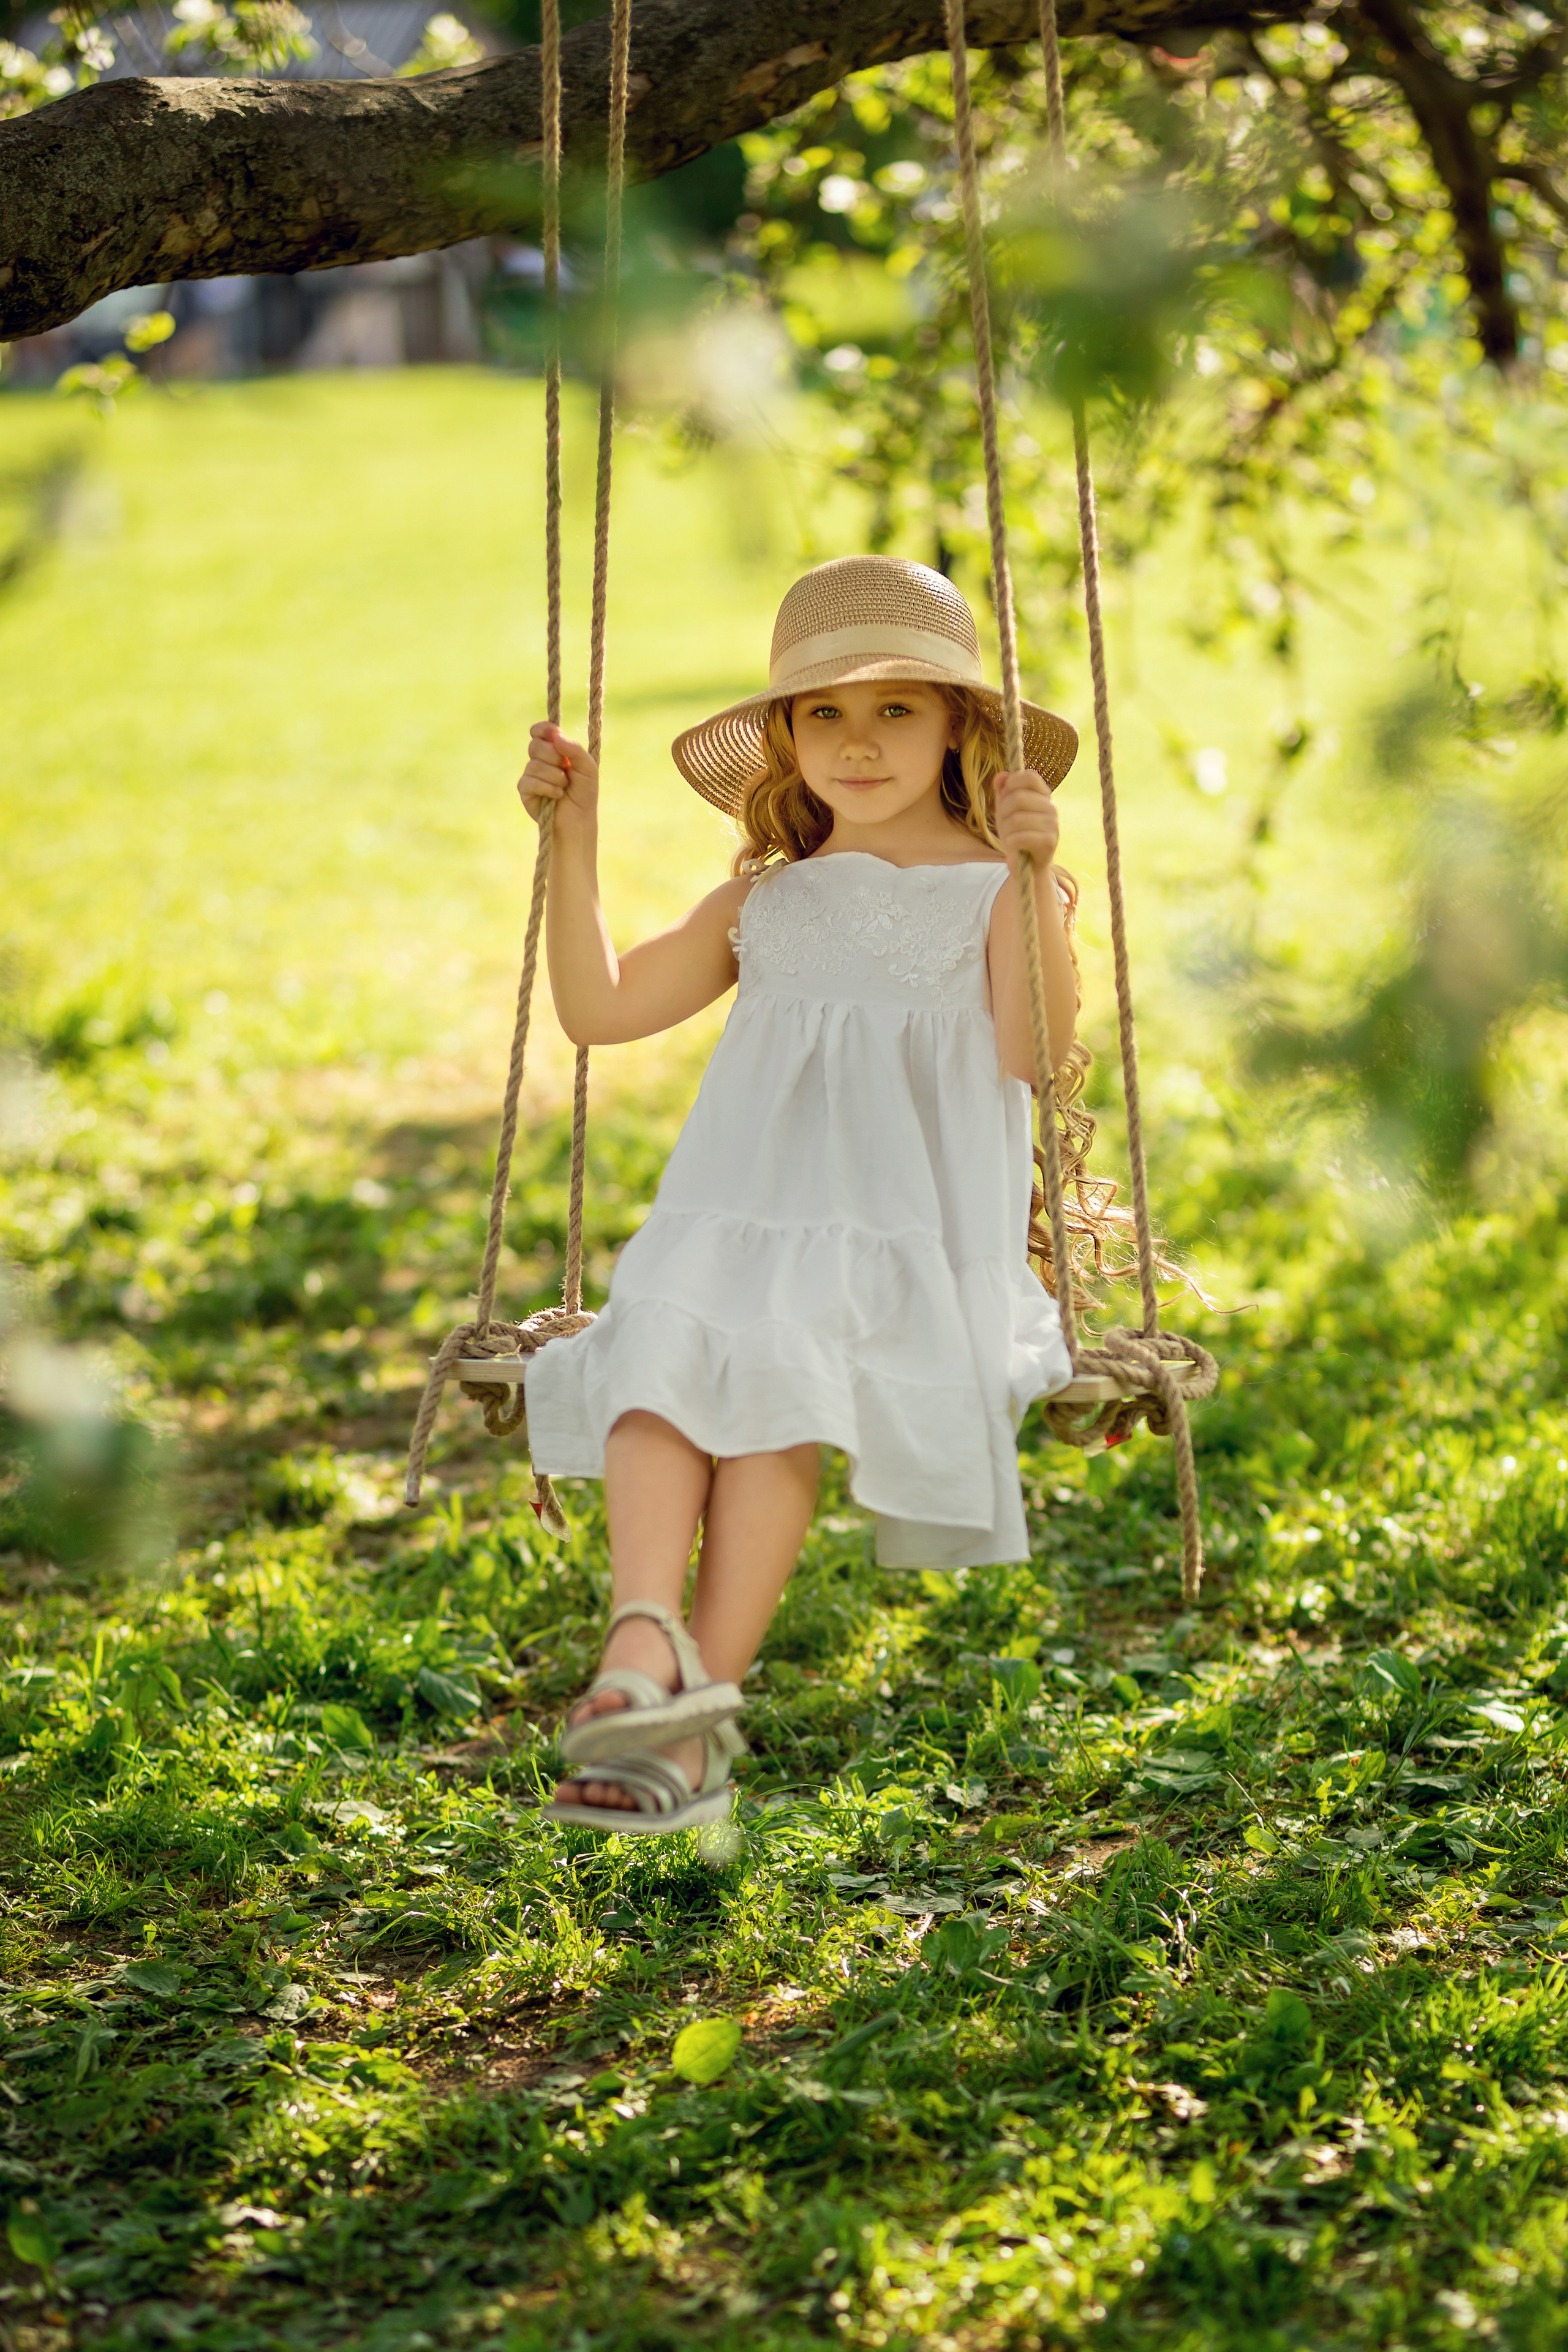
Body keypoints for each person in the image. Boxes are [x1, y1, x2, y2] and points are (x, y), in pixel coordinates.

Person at [517, 555, 1087, 1834]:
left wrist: (1038, 879)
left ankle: (687, 1700)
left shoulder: (996, 886)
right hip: (736, 1214)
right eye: (822, 713)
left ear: (958, 727)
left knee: (773, 1390)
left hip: (903, 1235)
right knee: (658, 1355)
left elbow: (1036, 1058)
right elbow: (601, 1007)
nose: (857, 741)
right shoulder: (768, 894)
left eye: (895, 709)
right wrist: (574, 836)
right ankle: (641, 1661)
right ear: (783, 735)